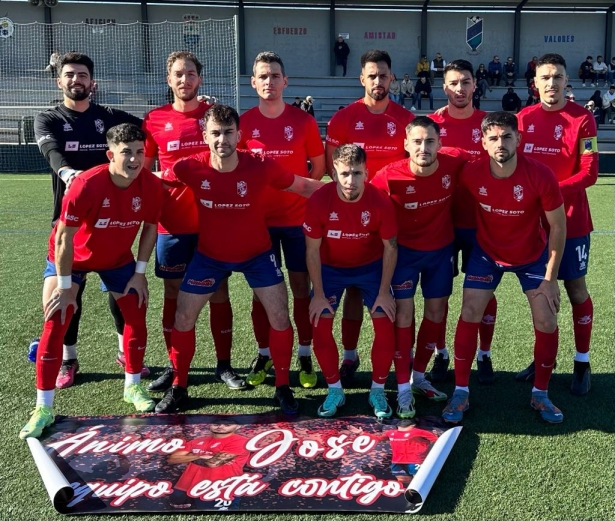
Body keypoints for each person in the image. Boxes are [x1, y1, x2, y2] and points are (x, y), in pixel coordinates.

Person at [156, 104, 324, 415]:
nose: (223, 139)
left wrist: (350, 194)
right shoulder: (189, 166)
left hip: (258, 255)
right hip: (210, 257)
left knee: (279, 316)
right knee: (183, 316)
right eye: (216, 133)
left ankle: (282, 387)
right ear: (205, 136)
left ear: (239, 135)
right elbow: (153, 181)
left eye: (229, 132)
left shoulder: (261, 165)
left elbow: (303, 186)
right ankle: (179, 386)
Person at [19, 123, 164, 440]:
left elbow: (151, 227)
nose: (135, 160)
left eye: (140, 152)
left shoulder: (151, 186)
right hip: (73, 257)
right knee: (56, 317)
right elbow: (63, 239)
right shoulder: (85, 184)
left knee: (136, 312)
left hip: (116, 259)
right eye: (126, 153)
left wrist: (140, 273)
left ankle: (132, 386)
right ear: (111, 154)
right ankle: (43, 407)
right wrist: (66, 283)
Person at [442, 111, 566, 424]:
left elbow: (558, 227)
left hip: (533, 255)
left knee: (547, 318)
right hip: (487, 253)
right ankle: (460, 392)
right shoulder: (471, 173)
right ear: (483, 142)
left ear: (518, 139)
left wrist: (550, 279)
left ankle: (540, 393)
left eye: (507, 136)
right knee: (469, 311)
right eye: (493, 138)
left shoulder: (540, 174)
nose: (501, 143)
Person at [34, 52, 146, 390]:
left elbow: (149, 128)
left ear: (91, 82)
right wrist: (69, 173)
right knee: (64, 298)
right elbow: (52, 152)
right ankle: (69, 359)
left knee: (121, 293)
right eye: (69, 75)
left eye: (82, 75)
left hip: (113, 223)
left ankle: (124, 352)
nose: (76, 80)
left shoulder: (110, 117)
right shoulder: (49, 118)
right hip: (70, 224)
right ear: (60, 81)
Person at [142, 51, 244, 394]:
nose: (184, 79)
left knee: (218, 291)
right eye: (178, 74)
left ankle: (224, 365)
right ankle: (175, 366)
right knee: (172, 294)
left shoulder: (212, 115)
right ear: (168, 80)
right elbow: (144, 170)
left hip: (211, 223)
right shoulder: (154, 120)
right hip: (170, 225)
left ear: (200, 79)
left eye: (190, 74)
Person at [325, 49, 413, 386]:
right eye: (371, 75)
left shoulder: (405, 119)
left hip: (393, 220)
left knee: (396, 292)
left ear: (392, 78)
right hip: (350, 220)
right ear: (362, 78)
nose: (378, 81)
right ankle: (350, 356)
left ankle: (401, 358)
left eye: (383, 75)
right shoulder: (343, 119)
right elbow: (334, 173)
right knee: (352, 290)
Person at [371, 117, 469, 419]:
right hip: (404, 256)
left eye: (429, 141)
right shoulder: (388, 176)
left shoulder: (455, 162)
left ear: (440, 144)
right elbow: (362, 203)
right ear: (406, 145)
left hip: (440, 252)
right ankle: (401, 389)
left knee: (437, 314)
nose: (423, 147)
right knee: (403, 315)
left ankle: (419, 376)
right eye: (417, 141)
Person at [239, 51, 325, 389]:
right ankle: (264, 353)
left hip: (297, 222)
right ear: (254, 82)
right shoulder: (244, 123)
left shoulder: (303, 121)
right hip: (258, 223)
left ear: (285, 81)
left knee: (301, 288)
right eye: (263, 76)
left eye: (275, 75)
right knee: (262, 293)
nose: (269, 81)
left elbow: (317, 167)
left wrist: (301, 196)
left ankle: (304, 353)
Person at [517, 53, 598, 396]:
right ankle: (543, 357)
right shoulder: (522, 118)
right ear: (534, 83)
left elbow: (590, 172)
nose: (551, 83)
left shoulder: (583, 120)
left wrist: (549, 192)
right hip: (532, 226)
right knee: (539, 295)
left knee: (575, 290)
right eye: (545, 77)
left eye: (558, 77)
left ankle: (582, 361)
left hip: (572, 221)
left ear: (568, 81)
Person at [305, 144, 398, 419]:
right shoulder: (319, 201)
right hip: (330, 270)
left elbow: (391, 248)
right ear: (333, 173)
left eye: (357, 173)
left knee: (385, 320)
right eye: (344, 173)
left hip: (370, 268)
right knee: (320, 322)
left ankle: (378, 390)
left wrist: (383, 292)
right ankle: (335, 389)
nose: (350, 181)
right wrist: (319, 295)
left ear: (366, 173)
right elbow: (311, 250)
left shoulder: (380, 201)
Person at [428, 60, 494, 385]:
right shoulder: (430, 125)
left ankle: (484, 354)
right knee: (440, 293)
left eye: (465, 82)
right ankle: (441, 353)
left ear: (474, 85)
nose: (459, 88)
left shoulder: (487, 124)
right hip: (442, 225)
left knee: (484, 291)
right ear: (444, 87)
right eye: (453, 83)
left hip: (482, 223)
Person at [167, 421, 249, 509]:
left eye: (227, 425)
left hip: (220, 487)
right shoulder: (197, 441)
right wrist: (200, 456)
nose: (220, 426)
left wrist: (189, 456)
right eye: (216, 424)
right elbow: (172, 460)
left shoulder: (241, 441)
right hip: (186, 486)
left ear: (238, 426)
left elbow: (213, 463)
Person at [348, 420, 439, 485]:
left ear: (413, 425)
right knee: (404, 481)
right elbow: (378, 439)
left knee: (421, 481)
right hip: (397, 461)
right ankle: (409, 498)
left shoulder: (420, 432)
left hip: (415, 461)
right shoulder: (391, 433)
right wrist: (361, 433)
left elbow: (436, 441)